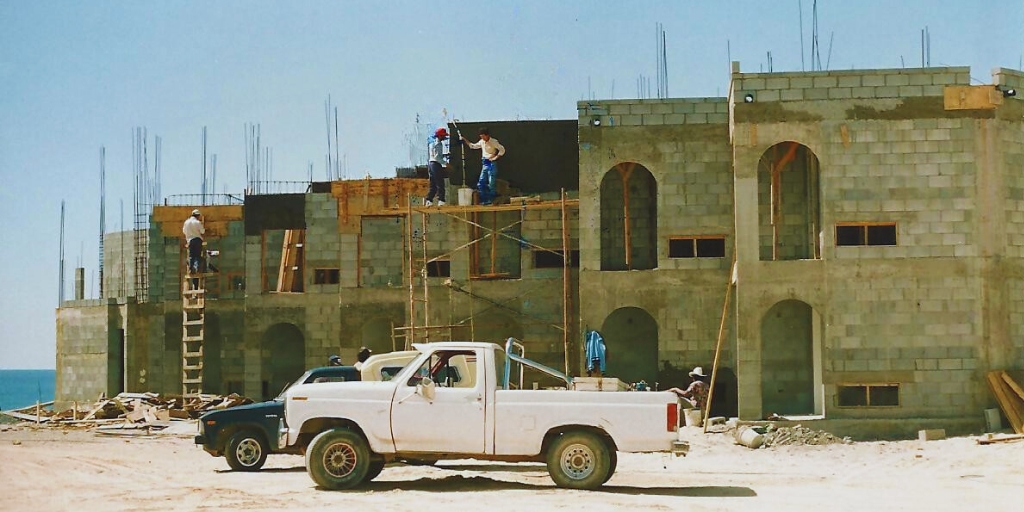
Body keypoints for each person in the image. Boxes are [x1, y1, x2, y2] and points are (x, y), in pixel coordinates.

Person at [461, 127, 505, 205]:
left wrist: (495, 157)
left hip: (491, 162)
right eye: (481, 137)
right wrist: (464, 140)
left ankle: (491, 200)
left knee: (491, 182)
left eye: (483, 136)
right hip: (485, 162)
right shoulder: (482, 142)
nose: (482, 138)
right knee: (481, 182)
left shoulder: (494, 142)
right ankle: (484, 199)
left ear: (487, 135)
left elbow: (502, 149)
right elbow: (473, 146)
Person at [425, 127, 449, 206]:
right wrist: (446, 163)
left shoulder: (431, 143)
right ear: (440, 136)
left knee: (433, 184)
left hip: (431, 164)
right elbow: (437, 157)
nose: (444, 137)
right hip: (436, 164)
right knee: (440, 183)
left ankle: (429, 200)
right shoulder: (438, 144)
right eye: (443, 136)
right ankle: (441, 200)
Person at [182, 209, 205, 288]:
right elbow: (202, 231)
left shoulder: (186, 222)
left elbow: (184, 231)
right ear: (198, 216)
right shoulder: (197, 222)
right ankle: (197, 268)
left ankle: (191, 269)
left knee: (191, 256)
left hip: (190, 241)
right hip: (197, 240)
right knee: (197, 256)